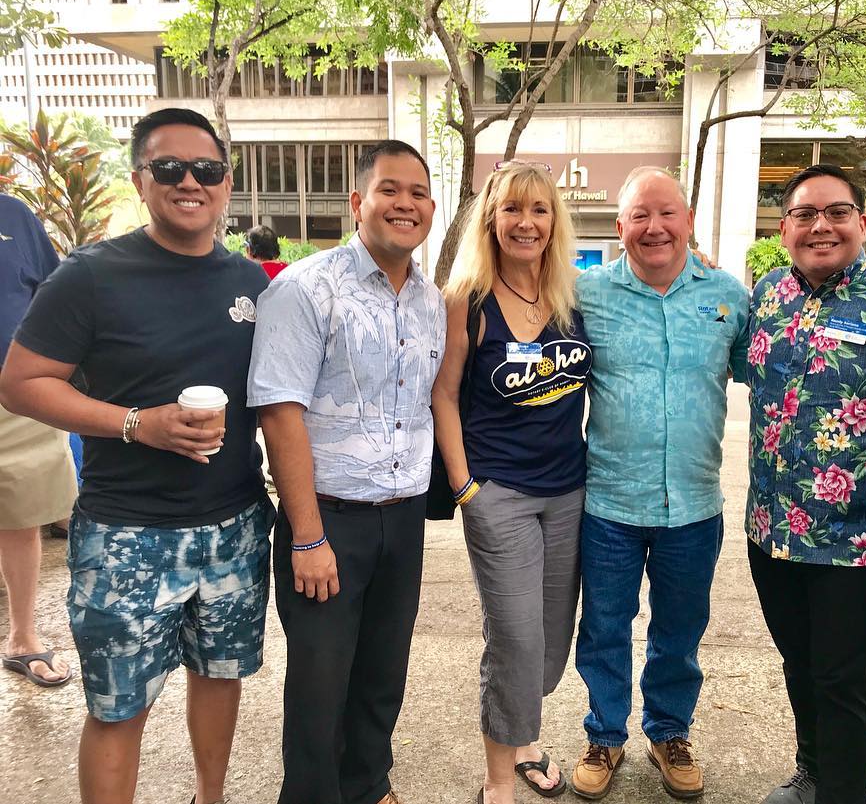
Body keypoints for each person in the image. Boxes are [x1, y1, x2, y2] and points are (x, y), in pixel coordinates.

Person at [0, 108, 273, 804]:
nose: (190, 182)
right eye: (169, 168)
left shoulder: (252, 282)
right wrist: (135, 424)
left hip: (235, 526)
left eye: (206, 169)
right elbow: (22, 382)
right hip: (127, 533)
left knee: (221, 679)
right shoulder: (91, 276)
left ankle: (210, 796)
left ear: (227, 182)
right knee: (118, 707)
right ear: (140, 180)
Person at [247, 139, 445, 804]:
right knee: (319, 685)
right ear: (358, 202)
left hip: (403, 518)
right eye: (390, 189)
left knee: (383, 674)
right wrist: (307, 535)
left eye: (418, 193)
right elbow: (280, 413)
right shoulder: (305, 288)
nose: (405, 203)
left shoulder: (430, 301)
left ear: (432, 208)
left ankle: (368, 786)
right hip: (327, 518)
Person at [743, 164, 866, 804]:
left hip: (852, 545)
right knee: (799, 667)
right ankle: (813, 774)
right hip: (770, 532)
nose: (820, 225)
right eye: (804, 214)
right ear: (784, 228)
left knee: (843, 685)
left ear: (862, 222)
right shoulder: (768, 295)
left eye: (837, 212)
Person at [570, 166, 749, 801]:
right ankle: (604, 734)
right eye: (640, 215)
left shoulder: (728, 296)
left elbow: (767, 375)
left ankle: (669, 731)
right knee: (604, 627)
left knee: (680, 628)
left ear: (688, 221)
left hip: (694, 504)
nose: (655, 227)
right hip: (609, 502)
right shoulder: (586, 294)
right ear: (619, 226)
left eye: (667, 213)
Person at [432, 161, 591, 804]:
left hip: (570, 493)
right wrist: (465, 486)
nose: (527, 222)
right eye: (512, 209)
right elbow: (444, 395)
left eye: (540, 209)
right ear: (491, 220)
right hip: (499, 493)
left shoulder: (573, 296)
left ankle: (524, 738)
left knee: (550, 642)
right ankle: (499, 780)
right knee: (516, 640)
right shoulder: (467, 299)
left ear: (555, 221)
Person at [0, 193, 78, 688]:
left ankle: (21, 635)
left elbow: (53, 297)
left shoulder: (13, 214)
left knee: (22, 516)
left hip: (15, 394)